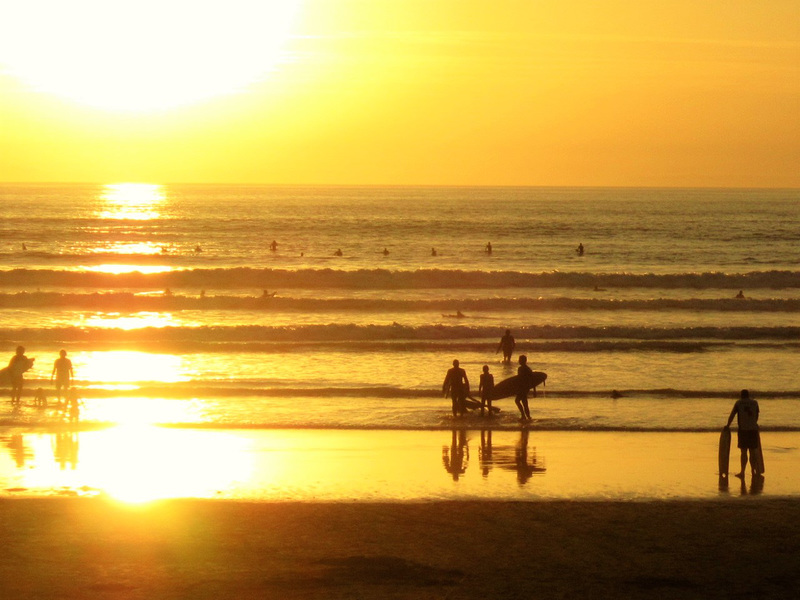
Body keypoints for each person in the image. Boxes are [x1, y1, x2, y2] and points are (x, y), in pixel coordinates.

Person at [726, 389, 761, 478]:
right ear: (748, 395)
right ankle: (753, 471)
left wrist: (727, 425)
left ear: (741, 395)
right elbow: (756, 416)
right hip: (753, 429)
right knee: (752, 451)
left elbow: (732, 415)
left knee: (744, 451)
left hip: (743, 430)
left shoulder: (738, 403)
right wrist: (753, 424)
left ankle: (742, 472)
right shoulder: (755, 403)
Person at [515, 355, 534, 420]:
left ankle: (523, 415)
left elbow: (518, 379)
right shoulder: (528, 369)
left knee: (517, 401)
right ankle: (528, 416)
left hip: (521, 387)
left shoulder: (520, 369)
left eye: (520, 360)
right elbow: (533, 380)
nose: (519, 361)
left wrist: (516, 388)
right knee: (524, 402)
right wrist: (534, 390)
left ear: (523, 361)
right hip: (526, 388)